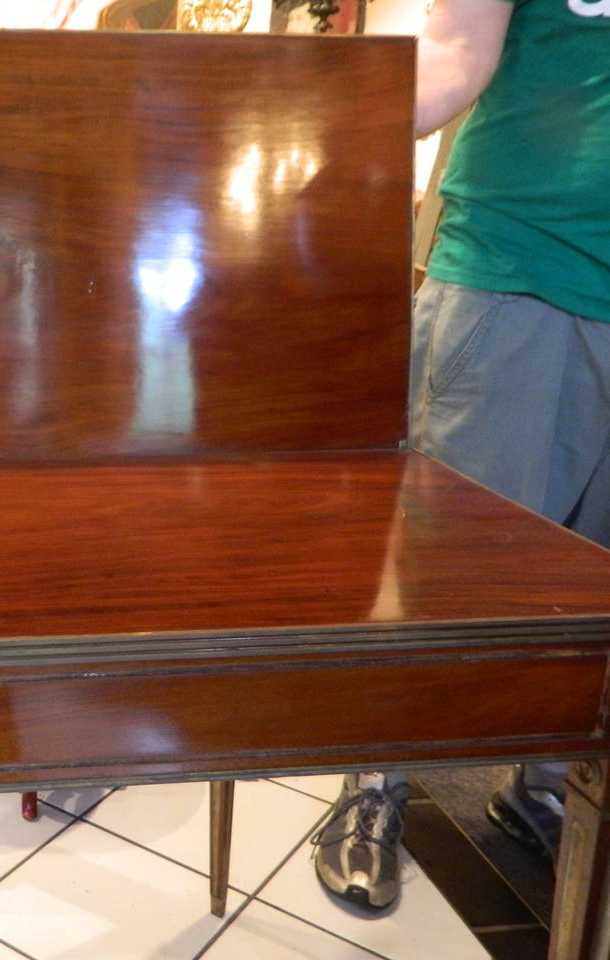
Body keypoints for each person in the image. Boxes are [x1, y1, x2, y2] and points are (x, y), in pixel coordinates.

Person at [311, 0, 610, 911]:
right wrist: (311, 123)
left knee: (598, 586)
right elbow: (452, 48)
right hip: (522, 272)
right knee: (444, 565)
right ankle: (374, 783)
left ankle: (547, 780)